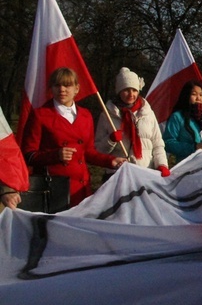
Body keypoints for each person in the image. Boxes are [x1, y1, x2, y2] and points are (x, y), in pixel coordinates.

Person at [21, 67, 126, 207]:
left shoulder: (86, 115)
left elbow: (88, 152)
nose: (62, 89)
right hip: (54, 189)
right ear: (51, 88)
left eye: (67, 85)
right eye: (57, 85)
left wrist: (110, 161)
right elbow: (28, 155)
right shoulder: (40, 115)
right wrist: (55, 155)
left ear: (77, 88)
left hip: (81, 188)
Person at [95, 67, 170, 179]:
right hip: (118, 174)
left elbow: (157, 143)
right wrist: (110, 140)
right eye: (126, 90)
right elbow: (98, 150)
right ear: (119, 91)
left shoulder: (147, 113)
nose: (131, 94)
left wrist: (162, 165)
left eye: (134, 90)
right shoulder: (107, 115)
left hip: (145, 172)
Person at [163, 80, 202, 163]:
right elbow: (168, 143)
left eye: (201, 95)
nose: (198, 98)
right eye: (194, 94)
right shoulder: (177, 117)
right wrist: (193, 147)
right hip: (187, 165)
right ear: (186, 96)